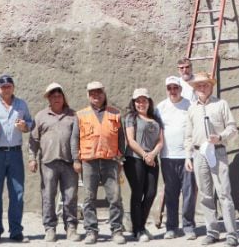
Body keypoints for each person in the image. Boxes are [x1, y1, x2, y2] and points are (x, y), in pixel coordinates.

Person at [184, 72, 239, 247]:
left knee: (223, 193)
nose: (202, 87)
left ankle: (232, 234)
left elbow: (232, 127)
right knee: (205, 195)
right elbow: (188, 136)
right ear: (195, 88)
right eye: (198, 85)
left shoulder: (221, 104)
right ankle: (212, 232)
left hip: (218, 152)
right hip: (199, 154)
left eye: (205, 84)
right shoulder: (192, 108)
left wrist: (221, 137)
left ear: (211, 86)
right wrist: (188, 156)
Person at [71, 81, 127, 245]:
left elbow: (121, 138)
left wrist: (120, 158)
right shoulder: (81, 115)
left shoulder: (115, 113)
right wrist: (76, 159)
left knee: (115, 197)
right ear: (88, 96)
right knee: (89, 198)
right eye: (92, 93)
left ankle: (117, 230)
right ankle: (91, 231)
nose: (96, 96)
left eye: (99, 93)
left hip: (111, 162)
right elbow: (74, 139)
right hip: (89, 162)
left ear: (104, 93)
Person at [0, 75, 34, 243]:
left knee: (17, 193)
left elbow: (30, 124)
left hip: (15, 153)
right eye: (3, 86)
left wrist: (25, 127)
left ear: (13, 88)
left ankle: (16, 231)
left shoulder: (21, 104)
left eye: (9, 86)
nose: (6, 89)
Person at [29, 82, 80, 242]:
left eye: (59, 96)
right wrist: (32, 158)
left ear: (63, 98)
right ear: (48, 99)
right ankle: (50, 228)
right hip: (48, 162)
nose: (56, 98)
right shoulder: (40, 116)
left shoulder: (73, 115)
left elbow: (80, 138)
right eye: (53, 96)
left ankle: (71, 227)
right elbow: (33, 140)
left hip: (69, 162)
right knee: (48, 196)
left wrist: (79, 159)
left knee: (70, 196)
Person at [156, 76, 197, 240]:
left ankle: (188, 226)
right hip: (167, 157)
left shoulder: (190, 105)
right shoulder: (160, 107)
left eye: (176, 88)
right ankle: (171, 227)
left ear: (181, 89)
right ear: (167, 90)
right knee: (171, 193)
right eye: (170, 88)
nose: (173, 91)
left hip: (187, 156)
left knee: (188, 193)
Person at [123, 88, 164, 243]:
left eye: (144, 100)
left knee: (151, 193)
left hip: (152, 158)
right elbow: (131, 140)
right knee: (138, 191)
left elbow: (161, 141)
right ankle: (139, 230)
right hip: (134, 158)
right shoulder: (131, 117)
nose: (141, 103)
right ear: (134, 103)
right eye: (138, 101)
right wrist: (145, 155)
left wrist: (152, 154)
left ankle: (139, 225)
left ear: (149, 102)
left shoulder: (155, 119)